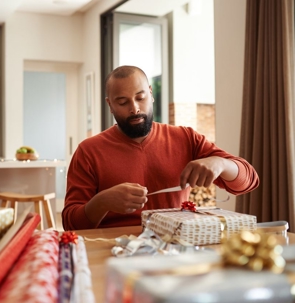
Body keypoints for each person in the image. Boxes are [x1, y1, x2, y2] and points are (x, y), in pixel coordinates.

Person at [62, 65, 259, 230]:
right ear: (110, 105)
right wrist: (102, 201)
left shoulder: (186, 137)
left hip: (176, 245)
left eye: (140, 98)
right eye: (122, 102)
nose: (135, 108)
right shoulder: (88, 151)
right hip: (114, 249)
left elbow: (249, 181)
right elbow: (70, 224)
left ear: (151, 93)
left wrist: (220, 164)